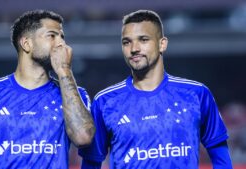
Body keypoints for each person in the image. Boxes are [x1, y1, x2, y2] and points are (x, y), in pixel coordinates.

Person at [79, 10, 232, 169]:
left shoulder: (196, 94)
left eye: (143, 40)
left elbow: (219, 152)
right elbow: (91, 162)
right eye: (126, 42)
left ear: (162, 44)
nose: (134, 48)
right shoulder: (105, 101)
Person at [0, 10, 95, 169]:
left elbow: (83, 137)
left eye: (62, 37)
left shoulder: (75, 95)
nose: (61, 44)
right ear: (26, 44)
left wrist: (64, 70)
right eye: (52, 36)